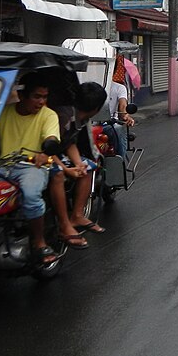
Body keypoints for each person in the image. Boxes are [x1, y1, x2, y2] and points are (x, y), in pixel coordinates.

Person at [0, 71, 62, 265]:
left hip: (32, 166)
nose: (41, 101)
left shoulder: (48, 115)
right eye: (37, 96)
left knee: (31, 195)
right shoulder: (5, 112)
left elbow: (51, 138)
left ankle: (39, 242)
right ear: (22, 96)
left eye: (44, 97)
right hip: (2, 166)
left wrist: (47, 149)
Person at [48, 82, 109, 248]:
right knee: (59, 173)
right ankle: (64, 223)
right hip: (45, 154)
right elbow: (47, 147)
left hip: (59, 153)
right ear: (96, 108)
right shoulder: (63, 117)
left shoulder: (79, 118)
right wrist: (66, 168)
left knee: (88, 167)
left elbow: (69, 143)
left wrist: (78, 164)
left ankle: (77, 214)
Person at [105, 62, 135, 160]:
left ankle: (119, 160)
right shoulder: (90, 86)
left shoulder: (119, 88)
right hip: (90, 123)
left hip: (110, 123)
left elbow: (122, 106)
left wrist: (125, 116)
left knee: (118, 128)